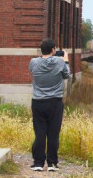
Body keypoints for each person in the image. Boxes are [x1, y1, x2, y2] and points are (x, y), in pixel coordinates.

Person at [28, 38, 69, 171]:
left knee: (40, 132)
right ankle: (52, 163)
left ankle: (38, 162)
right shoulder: (59, 62)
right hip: (55, 102)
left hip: (38, 101)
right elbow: (66, 75)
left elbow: (32, 71)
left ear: (41, 50)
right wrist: (66, 60)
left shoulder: (33, 62)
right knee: (53, 133)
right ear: (53, 50)